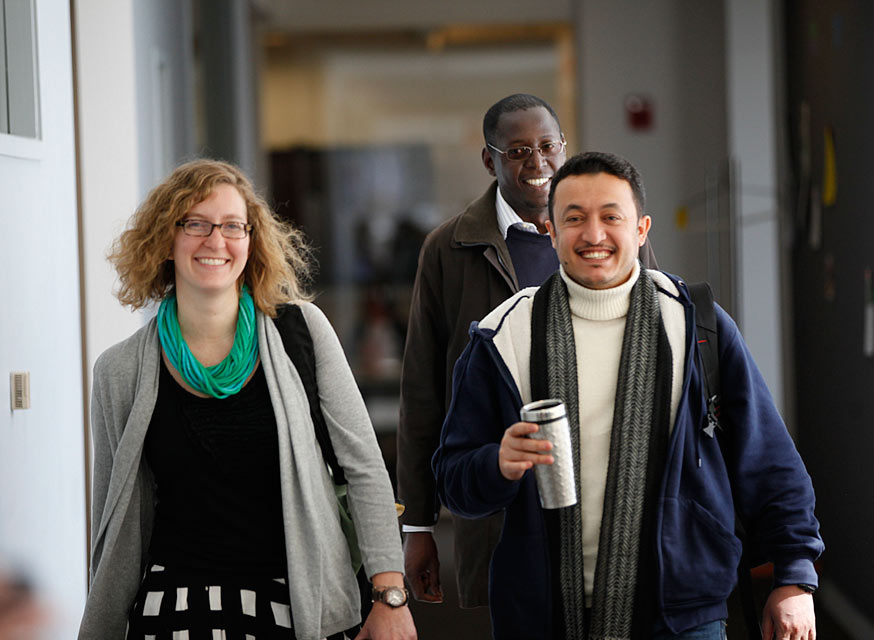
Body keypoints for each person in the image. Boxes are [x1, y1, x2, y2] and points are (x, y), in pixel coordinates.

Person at [432, 152, 823, 639]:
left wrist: (794, 578)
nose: (593, 235)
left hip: (683, 612)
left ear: (641, 229)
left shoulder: (694, 323)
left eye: (610, 217)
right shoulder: (504, 335)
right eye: (574, 219)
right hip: (543, 616)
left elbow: (767, 460)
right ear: (551, 233)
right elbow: (453, 480)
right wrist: (498, 463)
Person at [78, 160, 417, 640]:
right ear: (165, 240)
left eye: (233, 226)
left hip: (295, 603)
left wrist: (390, 594)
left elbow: (364, 467)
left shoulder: (303, 332)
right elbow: (112, 523)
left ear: (252, 240)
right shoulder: (119, 371)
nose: (216, 241)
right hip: (173, 608)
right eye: (195, 223)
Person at [396, 95, 657, 610]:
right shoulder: (450, 249)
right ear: (490, 161)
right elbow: (424, 395)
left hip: (611, 491)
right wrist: (419, 523)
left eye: (547, 146)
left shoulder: (611, 236)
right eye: (517, 152)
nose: (537, 163)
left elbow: (651, 347)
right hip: (505, 501)